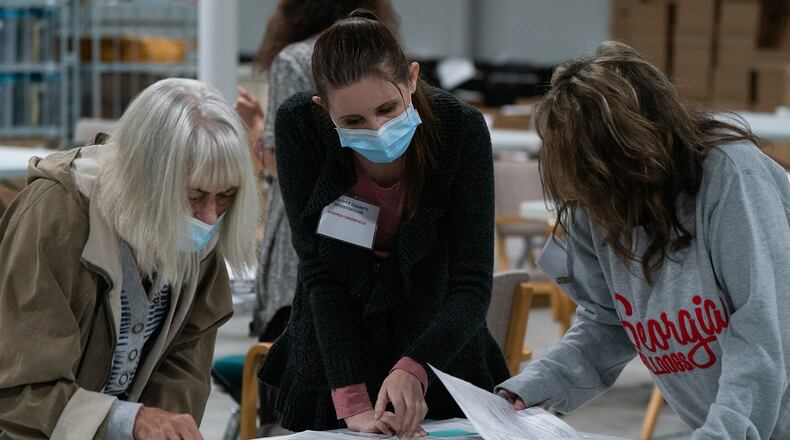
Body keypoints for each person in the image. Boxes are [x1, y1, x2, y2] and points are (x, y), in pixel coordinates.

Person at [496, 41, 790, 439]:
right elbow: (607, 321)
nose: (599, 205)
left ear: (642, 148)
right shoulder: (592, 203)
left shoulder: (732, 178)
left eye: (604, 179)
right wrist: (537, 385)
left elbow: (762, 330)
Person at [257, 11, 510, 437]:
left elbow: (471, 283)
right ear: (324, 110)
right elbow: (320, 275)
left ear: (411, 79)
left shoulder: (459, 130)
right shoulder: (301, 127)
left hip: (440, 351)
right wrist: (352, 401)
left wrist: (416, 367)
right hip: (335, 358)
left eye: (388, 108)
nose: (377, 129)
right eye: (353, 121)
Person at [0, 78, 259, 440]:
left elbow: (185, 364)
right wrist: (131, 420)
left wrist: (162, 427)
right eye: (195, 196)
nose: (210, 217)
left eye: (226, 196)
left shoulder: (200, 236)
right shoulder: (57, 217)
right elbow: (22, 389)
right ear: (149, 180)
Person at [236, 0, 399, 351]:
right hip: (369, 226)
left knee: (294, 366)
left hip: (309, 234)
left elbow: (289, 164)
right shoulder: (378, 51)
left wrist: (258, 128)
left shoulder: (295, 59)